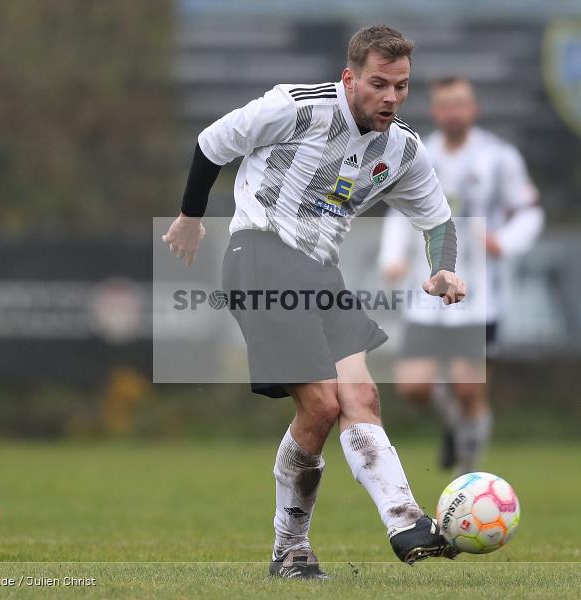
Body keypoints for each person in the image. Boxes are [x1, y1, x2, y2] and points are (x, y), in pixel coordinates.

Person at [162, 25, 467, 579]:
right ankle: (291, 550)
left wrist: (443, 267)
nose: (391, 98)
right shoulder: (296, 108)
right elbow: (212, 144)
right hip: (258, 255)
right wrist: (188, 216)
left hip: (320, 273)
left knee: (362, 396)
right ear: (350, 78)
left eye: (401, 86)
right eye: (379, 84)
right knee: (323, 405)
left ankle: (405, 521)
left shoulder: (401, 147)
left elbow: (438, 218)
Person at [379, 76, 543, 475]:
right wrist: (393, 256)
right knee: (414, 388)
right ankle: (454, 427)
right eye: (444, 105)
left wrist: (503, 241)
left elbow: (529, 210)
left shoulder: (499, 157)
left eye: (460, 104)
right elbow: (400, 210)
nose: (452, 112)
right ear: (435, 111)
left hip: (478, 295)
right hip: (428, 291)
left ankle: (468, 474)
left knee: (469, 390)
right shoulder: (418, 153)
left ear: (474, 108)